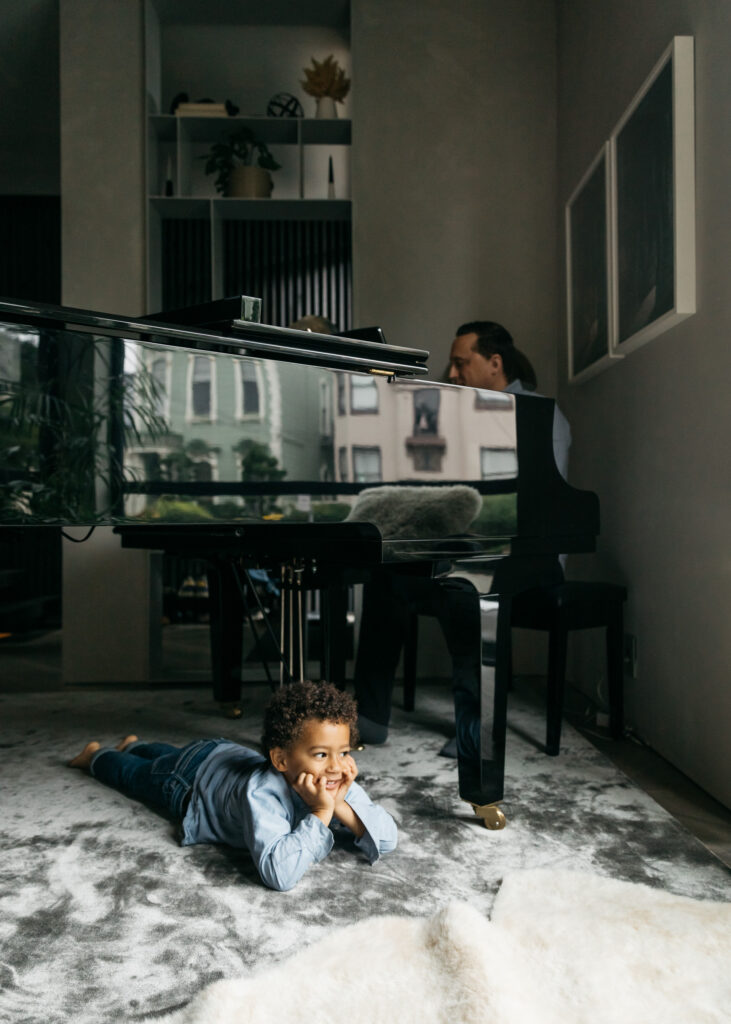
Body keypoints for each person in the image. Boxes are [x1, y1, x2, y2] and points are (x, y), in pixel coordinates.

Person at [355, 320, 571, 748]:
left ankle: (475, 726)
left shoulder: (541, 415)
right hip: (471, 543)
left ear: (494, 363)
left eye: (460, 363)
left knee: (467, 577)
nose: (451, 374)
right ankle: (368, 717)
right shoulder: (464, 414)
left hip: (531, 557)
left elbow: (541, 506)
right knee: (386, 577)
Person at [69, 680, 397, 891]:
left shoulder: (335, 780)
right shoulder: (262, 793)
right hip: (192, 779)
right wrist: (322, 812)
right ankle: (99, 755)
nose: (336, 766)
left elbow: (388, 838)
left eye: (343, 753)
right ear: (281, 760)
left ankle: (135, 744)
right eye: (322, 754)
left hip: (221, 757)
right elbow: (279, 875)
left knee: (165, 756)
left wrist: (340, 804)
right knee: (141, 775)